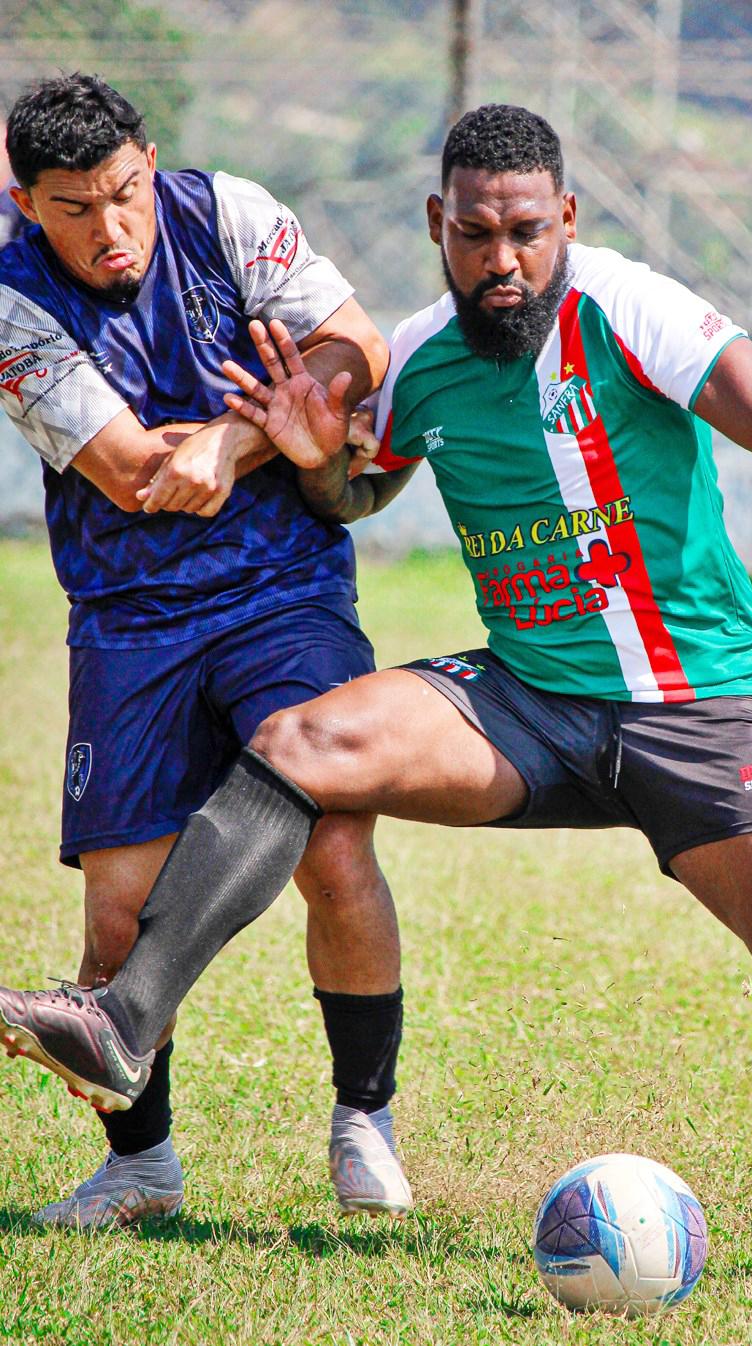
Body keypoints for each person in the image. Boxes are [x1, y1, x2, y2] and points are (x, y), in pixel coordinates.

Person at [0, 104, 752, 1298]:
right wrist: (313, 457)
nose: (499, 261)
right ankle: (127, 1018)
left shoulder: (627, 307)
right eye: (472, 235)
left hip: (695, 707)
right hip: (526, 702)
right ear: (436, 228)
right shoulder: (420, 355)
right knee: (302, 739)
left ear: (563, 220)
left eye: (522, 233)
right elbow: (354, 498)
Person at [0, 74, 416, 1227]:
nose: (110, 229)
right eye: (74, 208)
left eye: (124, 192)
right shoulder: (7, 300)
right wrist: (273, 430)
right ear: (25, 198)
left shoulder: (228, 213)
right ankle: (141, 1164)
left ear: (149, 159)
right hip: (129, 616)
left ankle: (363, 1117)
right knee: (115, 917)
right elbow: (137, 472)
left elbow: (355, 345)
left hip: (284, 585)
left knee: (333, 841)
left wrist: (240, 436)